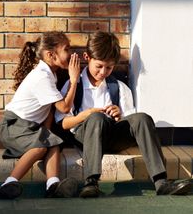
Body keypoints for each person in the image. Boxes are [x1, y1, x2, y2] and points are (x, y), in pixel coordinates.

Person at [54, 31, 192, 198]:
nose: (103, 72)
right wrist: (87, 114)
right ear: (87, 57)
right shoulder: (73, 84)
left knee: (142, 118)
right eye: (99, 66)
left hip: (112, 138)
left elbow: (132, 123)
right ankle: (91, 182)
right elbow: (62, 123)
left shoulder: (118, 86)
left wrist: (119, 116)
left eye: (109, 67)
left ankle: (161, 182)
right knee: (97, 118)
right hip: (85, 138)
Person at [0, 31, 81, 199]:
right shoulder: (42, 77)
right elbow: (63, 108)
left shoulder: (51, 73)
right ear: (51, 55)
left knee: (54, 144)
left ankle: (53, 185)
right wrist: (74, 80)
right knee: (40, 147)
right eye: (67, 49)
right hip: (14, 127)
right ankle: (7, 184)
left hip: (30, 127)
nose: (70, 54)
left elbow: (48, 109)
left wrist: (46, 134)